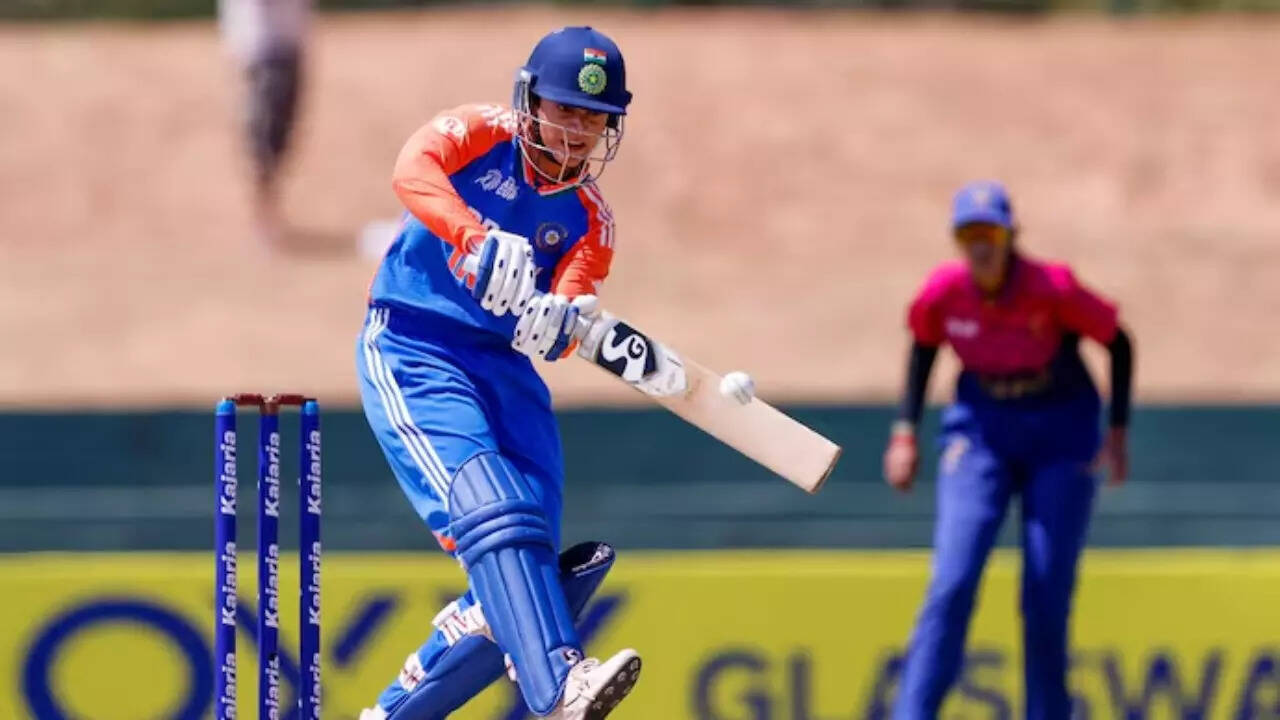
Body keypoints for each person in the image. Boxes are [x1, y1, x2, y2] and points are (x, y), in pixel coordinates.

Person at [355, 26, 642, 720]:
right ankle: (560, 687)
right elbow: (412, 170)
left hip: (504, 368)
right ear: (531, 100)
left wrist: (561, 322)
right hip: (415, 345)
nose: (578, 132)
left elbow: (574, 297)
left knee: (525, 551)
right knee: (497, 511)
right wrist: (474, 235)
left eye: (594, 119)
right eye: (566, 110)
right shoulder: (482, 132)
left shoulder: (591, 218)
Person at [884, 181, 1134, 719]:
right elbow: (924, 347)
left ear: (1010, 236)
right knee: (952, 581)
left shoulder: (1052, 286)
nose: (981, 246)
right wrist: (905, 432)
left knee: (1045, 591)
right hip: (981, 431)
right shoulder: (945, 291)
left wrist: (1116, 433)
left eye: (990, 234)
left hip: (1060, 431)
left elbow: (1118, 341)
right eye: (969, 234)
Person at [218, 0, 308, 247]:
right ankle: (263, 216)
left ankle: (269, 212)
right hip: (261, 46)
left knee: (281, 135)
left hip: (289, 42)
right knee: (263, 135)